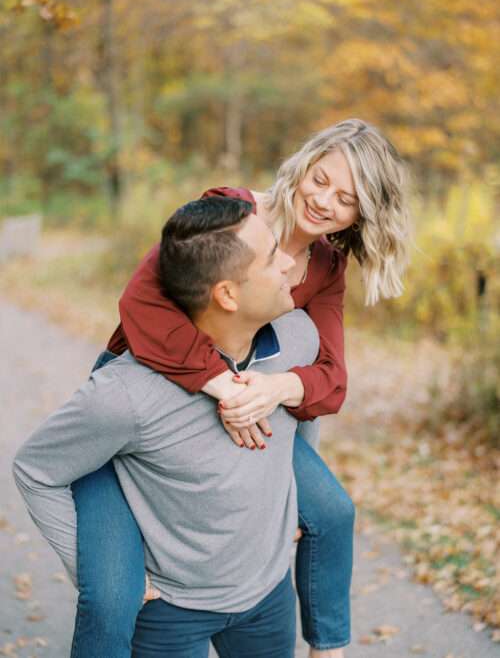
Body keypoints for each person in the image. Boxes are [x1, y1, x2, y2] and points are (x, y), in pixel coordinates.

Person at [73, 119, 411, 658]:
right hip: (146, 396)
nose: (324, 201)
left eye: (346, 199)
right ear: (304, 163)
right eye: (321, 179)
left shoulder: (325, 264)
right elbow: (142, 306)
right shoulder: (231, 213)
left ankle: (328, 648)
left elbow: (332, 379)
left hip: (243, 406)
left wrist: (276, 387)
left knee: (329, 514)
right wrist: (224, 386)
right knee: (113, 595)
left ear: (362, 214)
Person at [14, 196, 322, 658]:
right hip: (170, 615)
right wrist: (99, 573)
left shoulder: (299, 337)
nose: (289, 263)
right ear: (227, 294)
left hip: (268, 597)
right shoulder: (127, 393)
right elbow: (36, 470)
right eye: (273, 253)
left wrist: (294, 502)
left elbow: (305, 418)